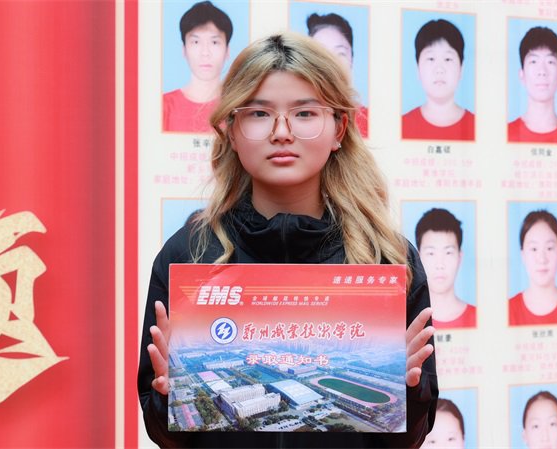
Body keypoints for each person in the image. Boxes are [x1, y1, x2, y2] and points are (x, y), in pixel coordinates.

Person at [139, 32, 438, 448]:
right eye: (259, 113)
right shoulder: (189, 254)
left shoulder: (387, 258)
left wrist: (409, 395)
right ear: (231, 130)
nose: (281, 132)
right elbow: (164, 435)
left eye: (305, 113)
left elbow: (408, 440)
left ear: (339, 128)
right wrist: (167, 400)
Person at [162, 1, 232, 132]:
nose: (205, 53)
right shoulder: (163, 106)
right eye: (195, 42)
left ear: (227, 50)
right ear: (184, 50)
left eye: (214, 42)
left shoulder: (238, 106)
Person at [402, 19, 474, 140]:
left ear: (461, 69)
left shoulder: (479, 128)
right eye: (431, 59)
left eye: (448, 59)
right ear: (418, 69)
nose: (439, 69)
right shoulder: (400, 127)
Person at [306, 12, 369, 137]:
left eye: (340, 53)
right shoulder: (294, 117)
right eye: (322, 54)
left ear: (352, 59)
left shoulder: (368, 119)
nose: (332, 63)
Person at [508, 26, 557, 144]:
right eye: (533, 61)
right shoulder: (504, 135)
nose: (542, 71)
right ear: (522, 75)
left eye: (550, 62)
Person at [509, 210, 557, 326]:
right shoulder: (507, 311)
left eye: (549, 248)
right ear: (523, 254)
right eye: (534, 249)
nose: (542, 259)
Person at [415, 208, 476, 328]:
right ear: (418, 258)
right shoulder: (408, 321)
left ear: (459, 257)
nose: (440, 265)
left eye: (448, 252)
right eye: (431, 253)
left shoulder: (480, 318)